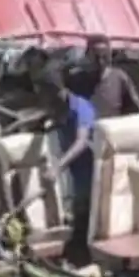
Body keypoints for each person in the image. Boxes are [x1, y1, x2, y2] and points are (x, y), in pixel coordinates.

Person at [35, 67, 96, 265]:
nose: (44, 102)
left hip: (91, 172)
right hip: (75, 175)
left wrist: (57, 167)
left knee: (83, 222)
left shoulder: (81, 108)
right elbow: (47, 119)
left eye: (45, 95)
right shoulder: (58, 109)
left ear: (56, 91)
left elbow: (82, 141)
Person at [80, 35, 139, 119]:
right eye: (96, 57)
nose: (101, 62)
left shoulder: (119, 78)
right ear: (87, 56)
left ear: (110, 56)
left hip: (111, 129)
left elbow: (137, 106)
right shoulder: (76, 80)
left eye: (105, 57)